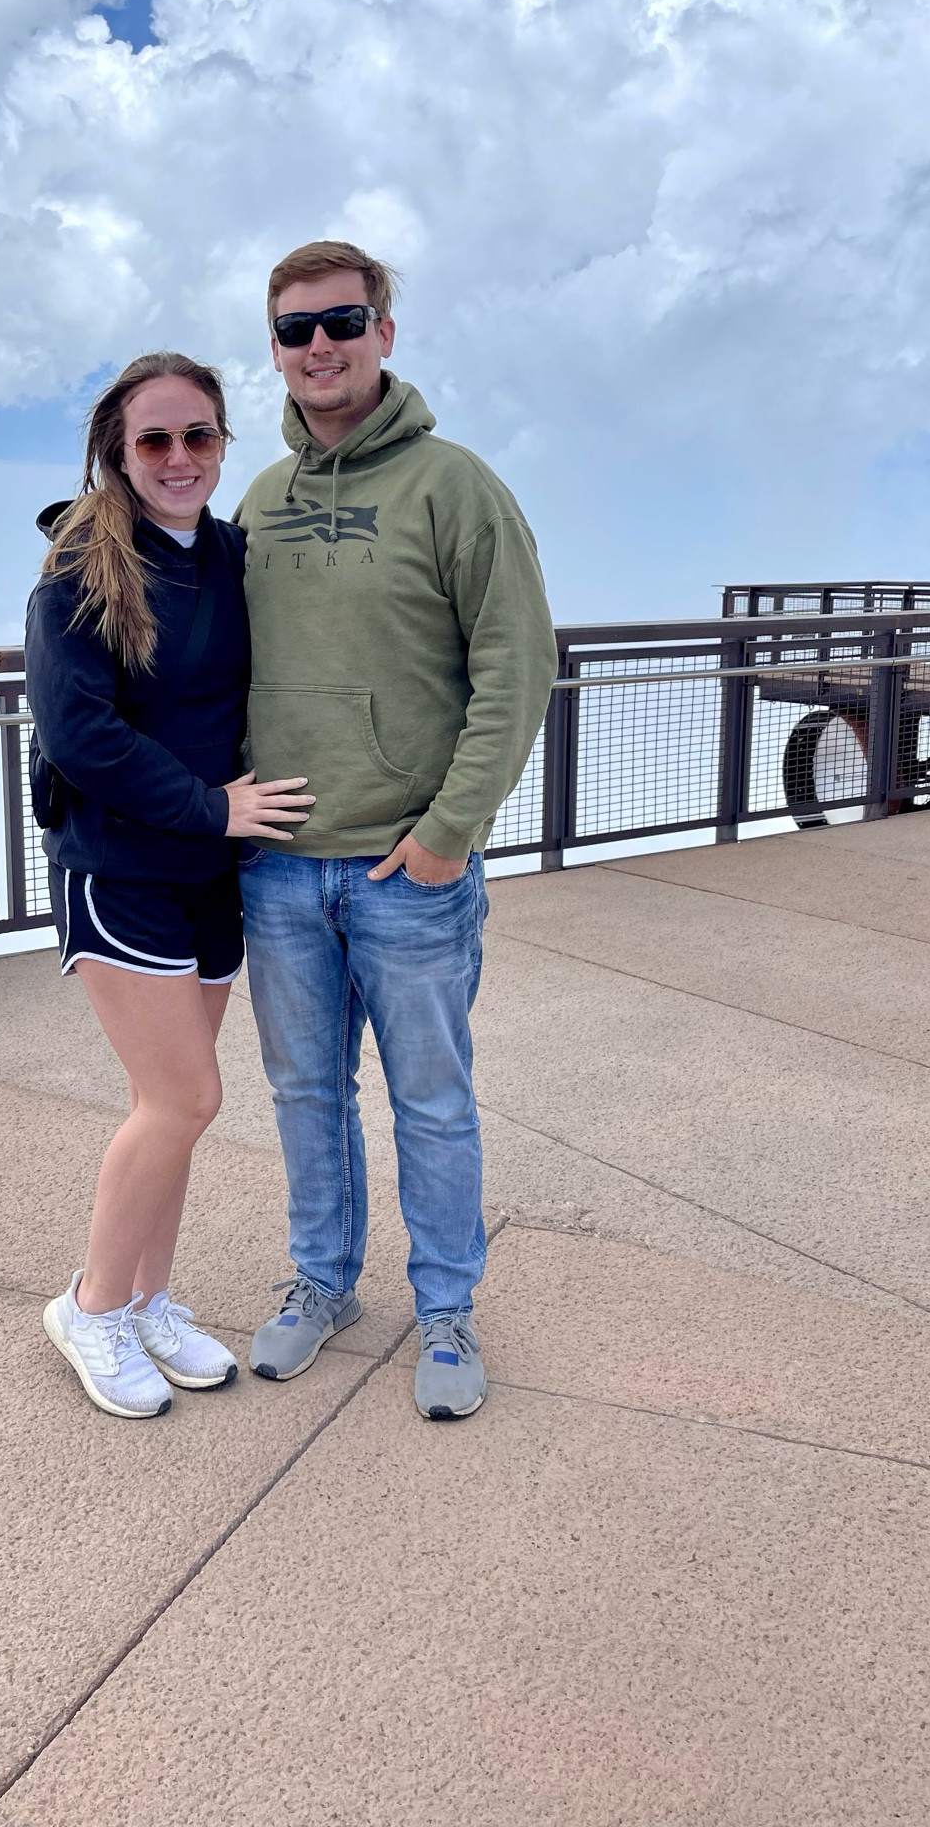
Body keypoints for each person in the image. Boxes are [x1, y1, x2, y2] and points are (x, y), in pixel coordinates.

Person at [235, 242, 558, 1419]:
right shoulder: (258, 501)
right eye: (294, 327)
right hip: (279, 870)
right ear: (273, 345)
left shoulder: (455, 484)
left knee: (431, 1099)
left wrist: (449, 832)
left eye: (343, 319)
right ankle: (324, 1282)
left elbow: (519, 666)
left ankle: (447, 1306)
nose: (319, 344)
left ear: (383, 332)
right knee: (305, 1093)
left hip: (406, 872)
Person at [25, 350, 313, 1420]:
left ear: (225, 444)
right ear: (118, 450)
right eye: (156, 439)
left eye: (199, 436)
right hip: (121, 865)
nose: (180, 457)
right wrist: (214, 805)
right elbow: (80, 734)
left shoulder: (235, 556)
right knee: (184, 1095)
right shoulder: (77, 567)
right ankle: (92, 1307)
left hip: (210, 874)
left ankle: (149, 1300)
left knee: (174, 1109)